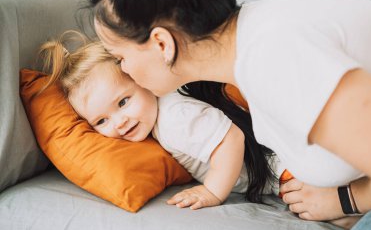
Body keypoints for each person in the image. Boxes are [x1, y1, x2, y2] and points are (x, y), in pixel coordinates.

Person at [87, 0, 371, 226]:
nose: (123, 69)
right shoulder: (248, 49)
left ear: (162, 43)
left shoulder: (275, 56)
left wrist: (348, 199)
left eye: (120, 57)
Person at [38, 31, 280, 210]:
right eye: (101, 121)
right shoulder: (154, 116)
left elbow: (231, 137)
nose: (119, 122)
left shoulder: (174, 118)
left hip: (280, 168)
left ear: (142, 81)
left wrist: (212, 192)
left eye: (123, 102)